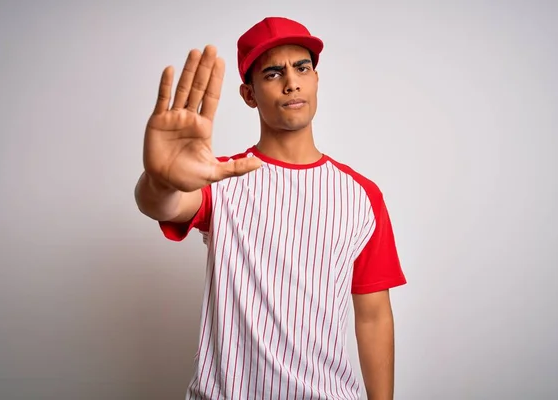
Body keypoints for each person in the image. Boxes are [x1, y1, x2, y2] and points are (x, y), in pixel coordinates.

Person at [134, 16, 407, 400]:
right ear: (249, 95)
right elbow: (162, 204)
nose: (292, 81)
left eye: (302, 68)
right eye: (273, 73)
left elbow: (374, 316)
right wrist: (161, 179)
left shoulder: (361, 194)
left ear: (315, 80)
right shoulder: (222, 177)